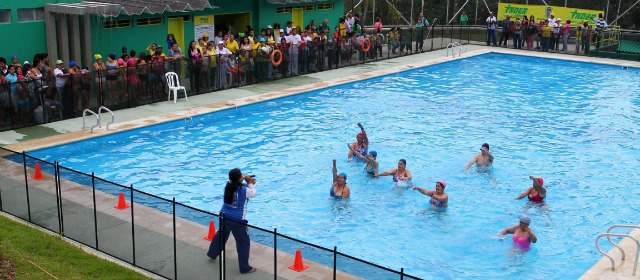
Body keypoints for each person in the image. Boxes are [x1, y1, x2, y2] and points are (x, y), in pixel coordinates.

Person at [207, 168, 257, 274]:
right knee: (243, 242)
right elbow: (253, 193)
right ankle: (244, 268)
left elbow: (234, 182)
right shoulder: (245, 190)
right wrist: (251, 183)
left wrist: (242, 178)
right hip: (237, 220)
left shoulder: (228, 184)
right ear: (239, 178)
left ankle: (212, 253)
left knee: (221, 236)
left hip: (224, 215)